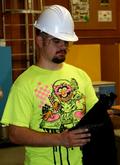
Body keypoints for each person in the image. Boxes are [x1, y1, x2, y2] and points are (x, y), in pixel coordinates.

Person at [1, 5, 98, 165]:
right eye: (56, 40)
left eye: (66, 41)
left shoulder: (81, 76)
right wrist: (60, 139)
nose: (63, 46)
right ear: (40, 41)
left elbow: (95, 116)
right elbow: (15, 133)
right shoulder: (24, 83)